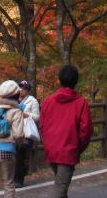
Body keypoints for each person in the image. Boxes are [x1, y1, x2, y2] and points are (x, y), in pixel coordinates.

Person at [39, 65, 92, 198]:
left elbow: (42, 125)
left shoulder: (47, 101)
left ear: (60, 80)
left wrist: (46, 143)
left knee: (61, 185)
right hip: (68, 149)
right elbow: (86, 130)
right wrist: (78, 148)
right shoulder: (80, 102)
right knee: (60, 187)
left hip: (51, 149)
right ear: (76, 81)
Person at [14, 80, 40, 188]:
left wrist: (26, 114)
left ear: (28, 90)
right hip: (15, 131)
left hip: (26, 132)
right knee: (15, 155)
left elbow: (37, 117)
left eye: (23, 88)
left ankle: (18, 180)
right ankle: (17, 176)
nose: (21, 90)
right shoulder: (14, 100)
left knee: (20, 154)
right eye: (20, 88)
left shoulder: (32, 101)